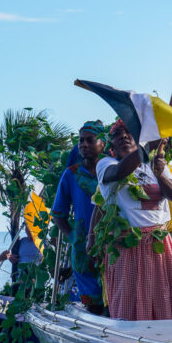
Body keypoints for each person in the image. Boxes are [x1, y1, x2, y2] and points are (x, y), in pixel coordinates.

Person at [95, 120, 172, 321]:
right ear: (111, 145)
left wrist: (160, 174)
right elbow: (120, 172)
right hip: (128, 244)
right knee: (132, 303)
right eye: (117, 134)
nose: (123, 136)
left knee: (168, 299)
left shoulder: (154, 164)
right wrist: (146, 147)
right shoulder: (107, 164)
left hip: (160, 243)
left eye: (128, 132)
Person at [53, 120, 107, 313]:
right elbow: (59, 214)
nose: (84, 145)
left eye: (90, 140)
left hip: (113, 243)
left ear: (103, 143)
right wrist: (74, 238)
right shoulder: (71, 175)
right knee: (93, 305)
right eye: (81, 141)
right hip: (83, 248)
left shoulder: (113, 170)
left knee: (117, 300)